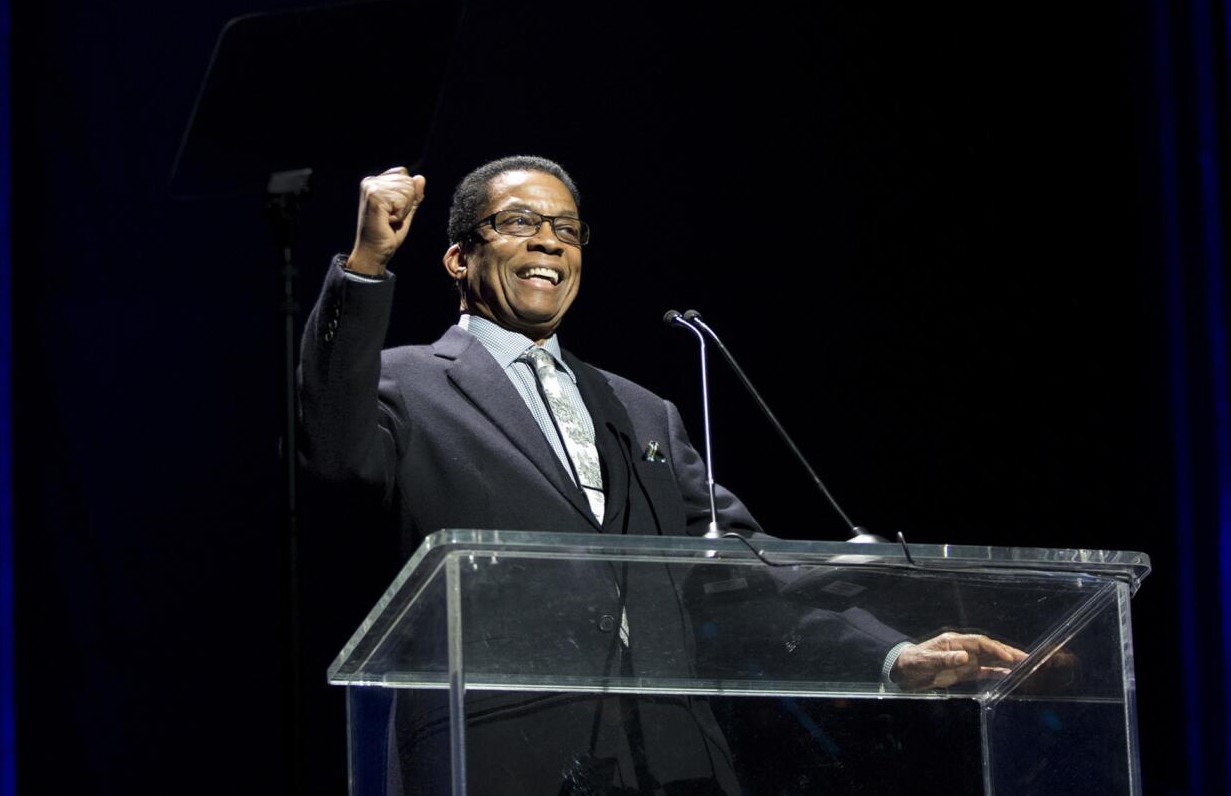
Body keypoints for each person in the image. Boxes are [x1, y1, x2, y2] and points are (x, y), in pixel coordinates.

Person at [299, 156, 1025, 794]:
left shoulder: (644, 412)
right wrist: (364, 266)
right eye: (518, 220)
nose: (549, 239)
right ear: (459, 257)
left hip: (672, 763)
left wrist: (893, 655)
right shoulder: (405, 385)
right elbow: (330, 446)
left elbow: (742, 586)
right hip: (496, 753)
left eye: (567, 227)